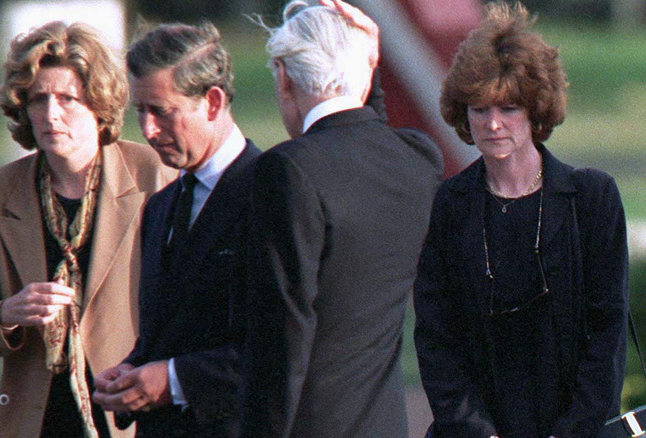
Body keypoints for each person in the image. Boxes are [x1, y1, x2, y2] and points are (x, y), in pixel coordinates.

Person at [413, 3, 629, 437]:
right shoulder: (449, 206)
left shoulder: (590, 199)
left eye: (509, 108)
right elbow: (436, 340)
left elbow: (608, 336)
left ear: (536, 110)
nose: (492, 124)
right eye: (478, 108)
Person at [0, 21, 174, 438]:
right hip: (36, 422)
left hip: (133, 418)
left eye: (67, 98)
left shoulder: (156, 178)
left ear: (98, 103)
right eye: (38, 99)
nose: (51, 114)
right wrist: (7, 313)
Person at [240, 1, 444, 436]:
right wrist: (370, 67)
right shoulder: (416, 160)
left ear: (283, 76)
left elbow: (284, 333)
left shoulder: (288, 171)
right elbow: (369, 145)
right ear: (365, 70)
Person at [91, 22, 261, 438]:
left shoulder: (271, 196)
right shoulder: (162, 204)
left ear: (213, 102)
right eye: (140, 112)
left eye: (162, 111)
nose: (148, 130)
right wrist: (132, 372)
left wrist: (173, 380)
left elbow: (280, 346)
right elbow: (168, 330)